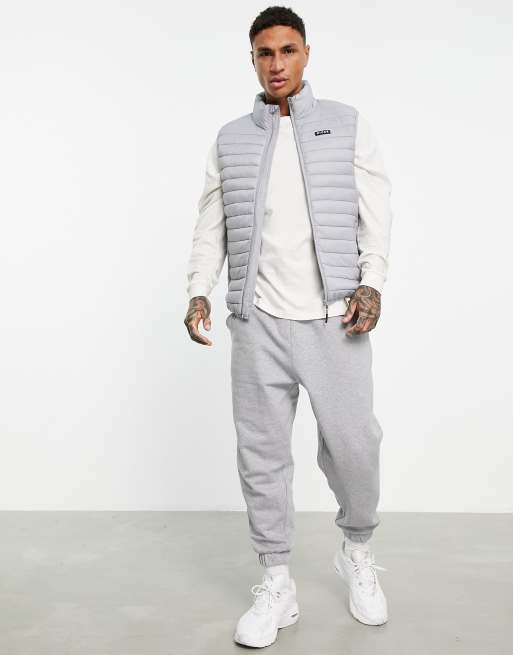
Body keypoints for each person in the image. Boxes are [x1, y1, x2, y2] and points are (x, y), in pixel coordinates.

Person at [184, 6, 393, 648]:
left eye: (288, 50)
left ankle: (357, 550)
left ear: (306, 53)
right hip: (259, 324)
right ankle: (277, 580)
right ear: (252, 60)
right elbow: (210, 224)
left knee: (355, 446)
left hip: (336, 320)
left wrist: (373, 281)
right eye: (265, 53)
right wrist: (198, 291)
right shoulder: (230, 139)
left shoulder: (347, 125)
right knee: (262, 456)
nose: (277, 63)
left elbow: (376, 212)